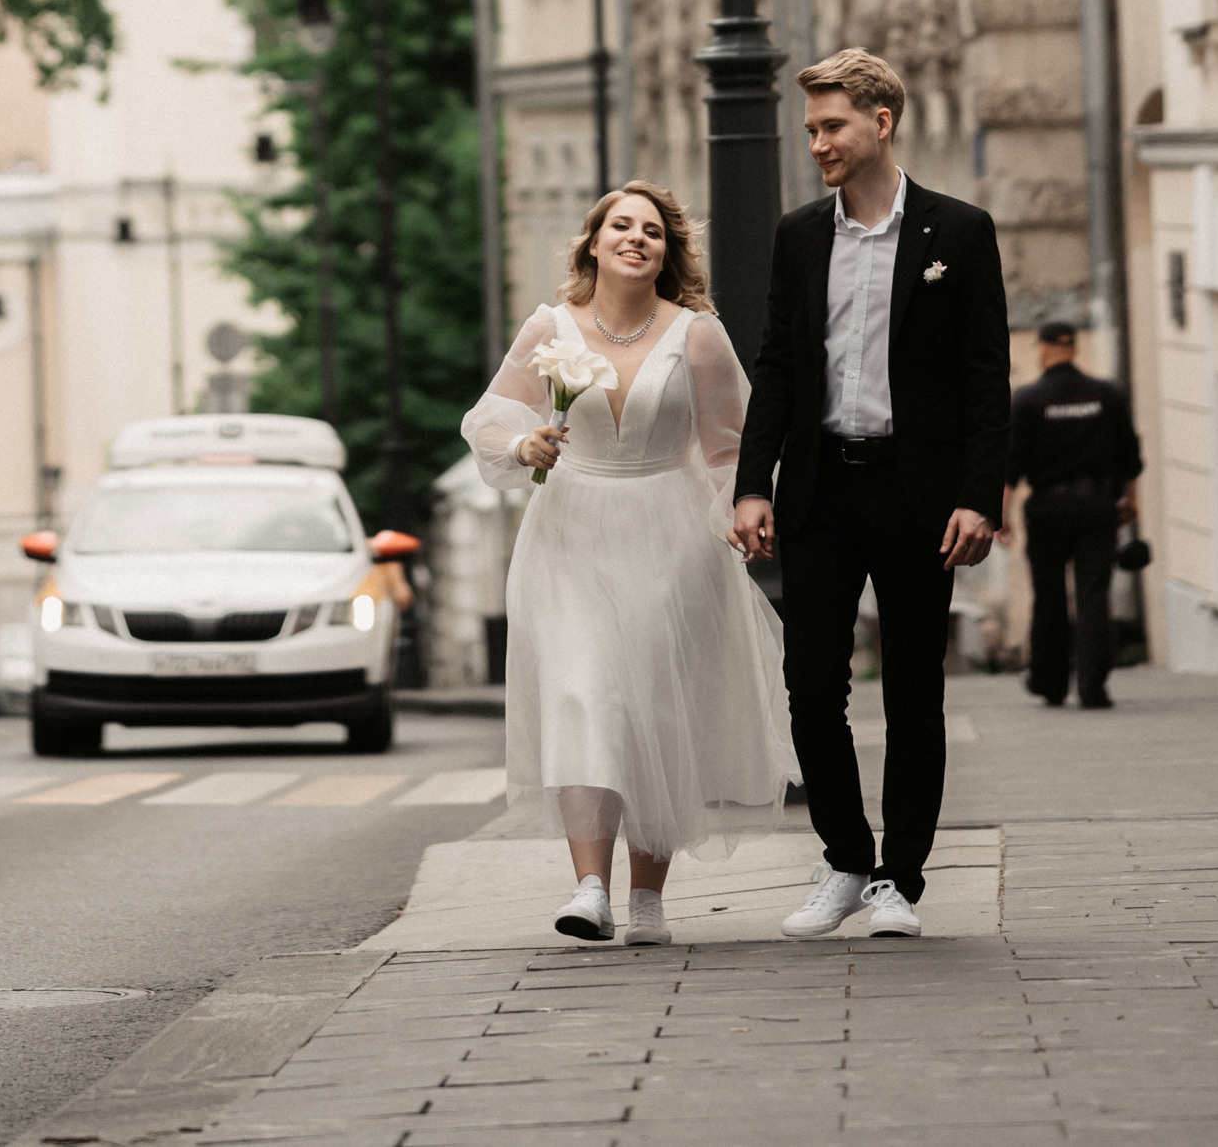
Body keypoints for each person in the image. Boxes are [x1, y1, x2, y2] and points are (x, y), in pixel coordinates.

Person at [463, 181, 793, 948]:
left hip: (668, 535)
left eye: (651, 229)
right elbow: (491, 415)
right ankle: (589, 887)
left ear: (667, 251)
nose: (634, 237)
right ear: (592, 242)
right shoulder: (550, 327)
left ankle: (647, 896)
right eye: (620, 225)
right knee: (584, 694)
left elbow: (729, 445)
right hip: (571, 531)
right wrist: (524, 445)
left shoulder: (696, 335)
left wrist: (741, 512)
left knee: (653, 705)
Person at [730, 47, 1010, 945]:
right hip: (820, 488)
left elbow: (984, 378)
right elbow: (776, 365)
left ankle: (901, 877)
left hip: (919, 496)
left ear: (879, 123)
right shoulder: (800, 233)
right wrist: (750, 484)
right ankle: (847, 858)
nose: (816, 143)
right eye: (809, 129)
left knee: (914, 688)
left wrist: (978, 495)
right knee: (810, 688)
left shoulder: (958, 233)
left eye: (830, 126)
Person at [1002, 320, 1143, 709]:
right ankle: (1093, 687)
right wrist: (1131, 501)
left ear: (1044, 349)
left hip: (1048, 508)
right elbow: (1130, 458)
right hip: (1097, 507)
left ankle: (1050, 683)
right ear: (1074, 349)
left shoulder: (1029, 400)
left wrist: (1002, 514)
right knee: (1093, 594)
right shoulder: (1107, 396)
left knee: (1048, 597)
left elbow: (1011, 465)